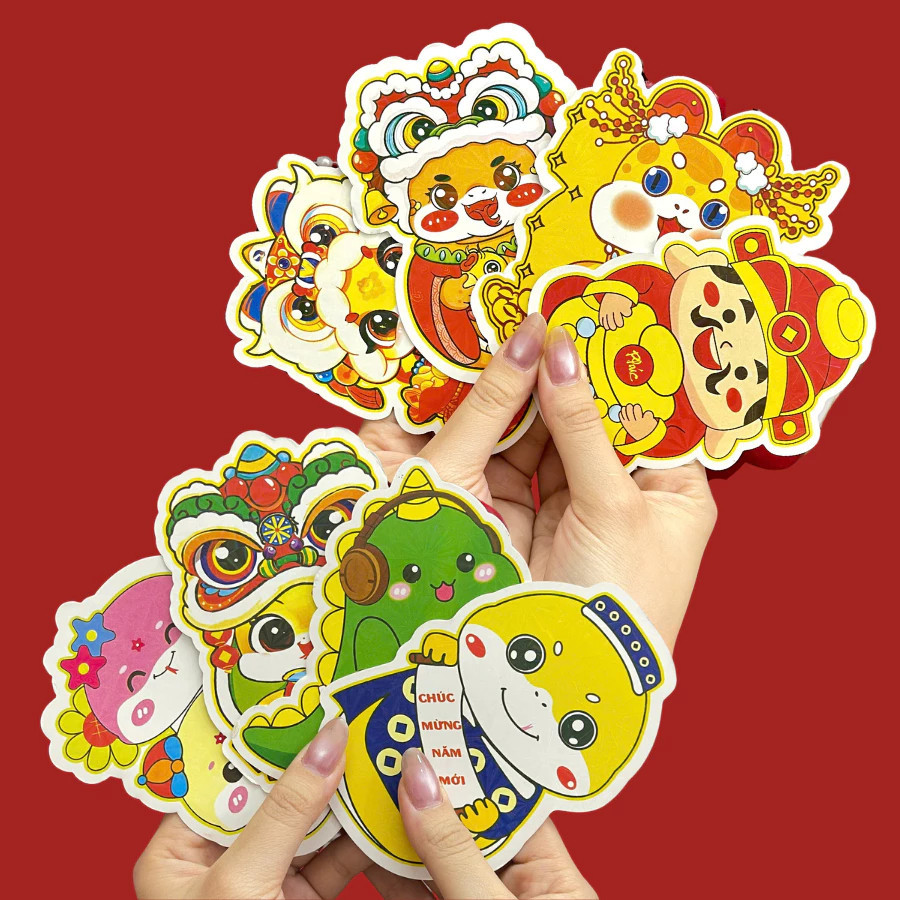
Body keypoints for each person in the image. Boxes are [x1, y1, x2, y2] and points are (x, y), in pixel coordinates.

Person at [134, 315, 717, 899]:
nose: (539, 699)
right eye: (526, 653)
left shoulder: (501, 770)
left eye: (577, 727)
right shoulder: (431, 664)